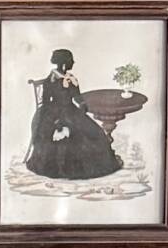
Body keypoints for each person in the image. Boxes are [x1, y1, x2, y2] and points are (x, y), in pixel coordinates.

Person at [24, 46, 125, 183]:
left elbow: (76, 97)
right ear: (64, 63)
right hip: (54, 113)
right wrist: (59, 124)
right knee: (71, 138)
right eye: (71, 60)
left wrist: (81, 101)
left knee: (94, 132)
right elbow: (48, 103)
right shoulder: (51, 81)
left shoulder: (70, 78)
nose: (73, 63)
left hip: (70, 110)